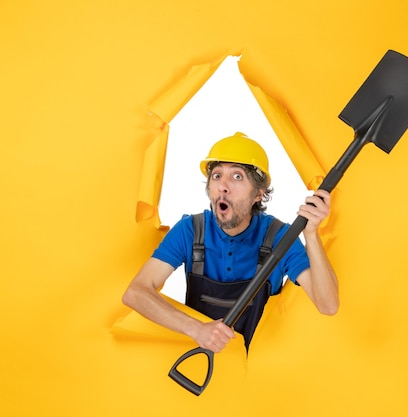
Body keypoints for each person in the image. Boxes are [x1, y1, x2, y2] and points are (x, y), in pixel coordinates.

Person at [123, 132, 339, 353]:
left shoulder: (279, 238)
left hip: (257, 370)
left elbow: (328, 305)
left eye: (237, 177)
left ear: (258, 194)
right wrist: (196, 329)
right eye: (216, 176)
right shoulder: (191, 230)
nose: (223, 186)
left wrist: (311, 235)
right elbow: (136, 293)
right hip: (201, 368)